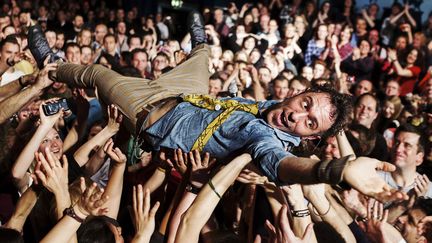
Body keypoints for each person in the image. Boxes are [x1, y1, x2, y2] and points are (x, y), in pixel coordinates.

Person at [27, 11, 406, 203]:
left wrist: (334, 170)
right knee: (203, 55)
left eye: (309, 123)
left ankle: (52, 64)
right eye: (306, 103)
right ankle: (200, 38)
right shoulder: (275, 106)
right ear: (299, 92)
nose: (297, 114)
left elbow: (285, 167)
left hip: (146, 109)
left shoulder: (268, 141)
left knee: (94, 73)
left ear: (311, 138)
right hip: (185, 92)